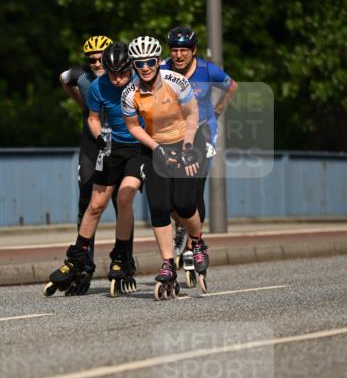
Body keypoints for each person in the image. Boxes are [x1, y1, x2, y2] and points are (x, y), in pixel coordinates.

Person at [44, 42, 145, 297]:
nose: (117, 79)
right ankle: (77, 259)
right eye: (112, 73)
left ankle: (123, 257)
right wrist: (99, 136)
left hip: (139, 147)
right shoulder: (97, 84)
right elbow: (92, 116)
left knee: (125, 198)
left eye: (122, 73)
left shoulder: (143, 81)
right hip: (110, 146)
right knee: (94, 204)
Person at [121, 35, 209, 298]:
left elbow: (193, 115)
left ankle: (197, 242)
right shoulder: (130, 93)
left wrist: (188, 148)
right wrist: (155, 147)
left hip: (188, 141)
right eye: (139, 63)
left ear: (158, 61)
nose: (145, 67)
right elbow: (133, 126)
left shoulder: (176, 82)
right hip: (156, 146)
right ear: (133, 65)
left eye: (150, 62)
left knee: (184, 204)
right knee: (159, 206)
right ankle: (168, 264)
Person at [162, 25, 238, 260]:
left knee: (194, 191)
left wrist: (217, 111)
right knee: (169, 197)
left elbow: (231, 86)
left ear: (193, 50)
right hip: (173, 135)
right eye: (174, 50)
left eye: (184, 50)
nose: (178, 55)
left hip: (202, 133)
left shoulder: (207, 70)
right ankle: (182, 225)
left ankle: (191, 248)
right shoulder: (162, 69)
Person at [59, 35, 118, 247]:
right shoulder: (81, 76)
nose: (97, 64)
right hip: (92, 142)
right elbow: (64, 79)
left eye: (101, 59)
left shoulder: (123, 74)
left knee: (120, 199)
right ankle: (83, 252)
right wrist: (81, 103)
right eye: (92, 60)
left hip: (118, 141)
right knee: (86, 194)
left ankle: (123, 255)